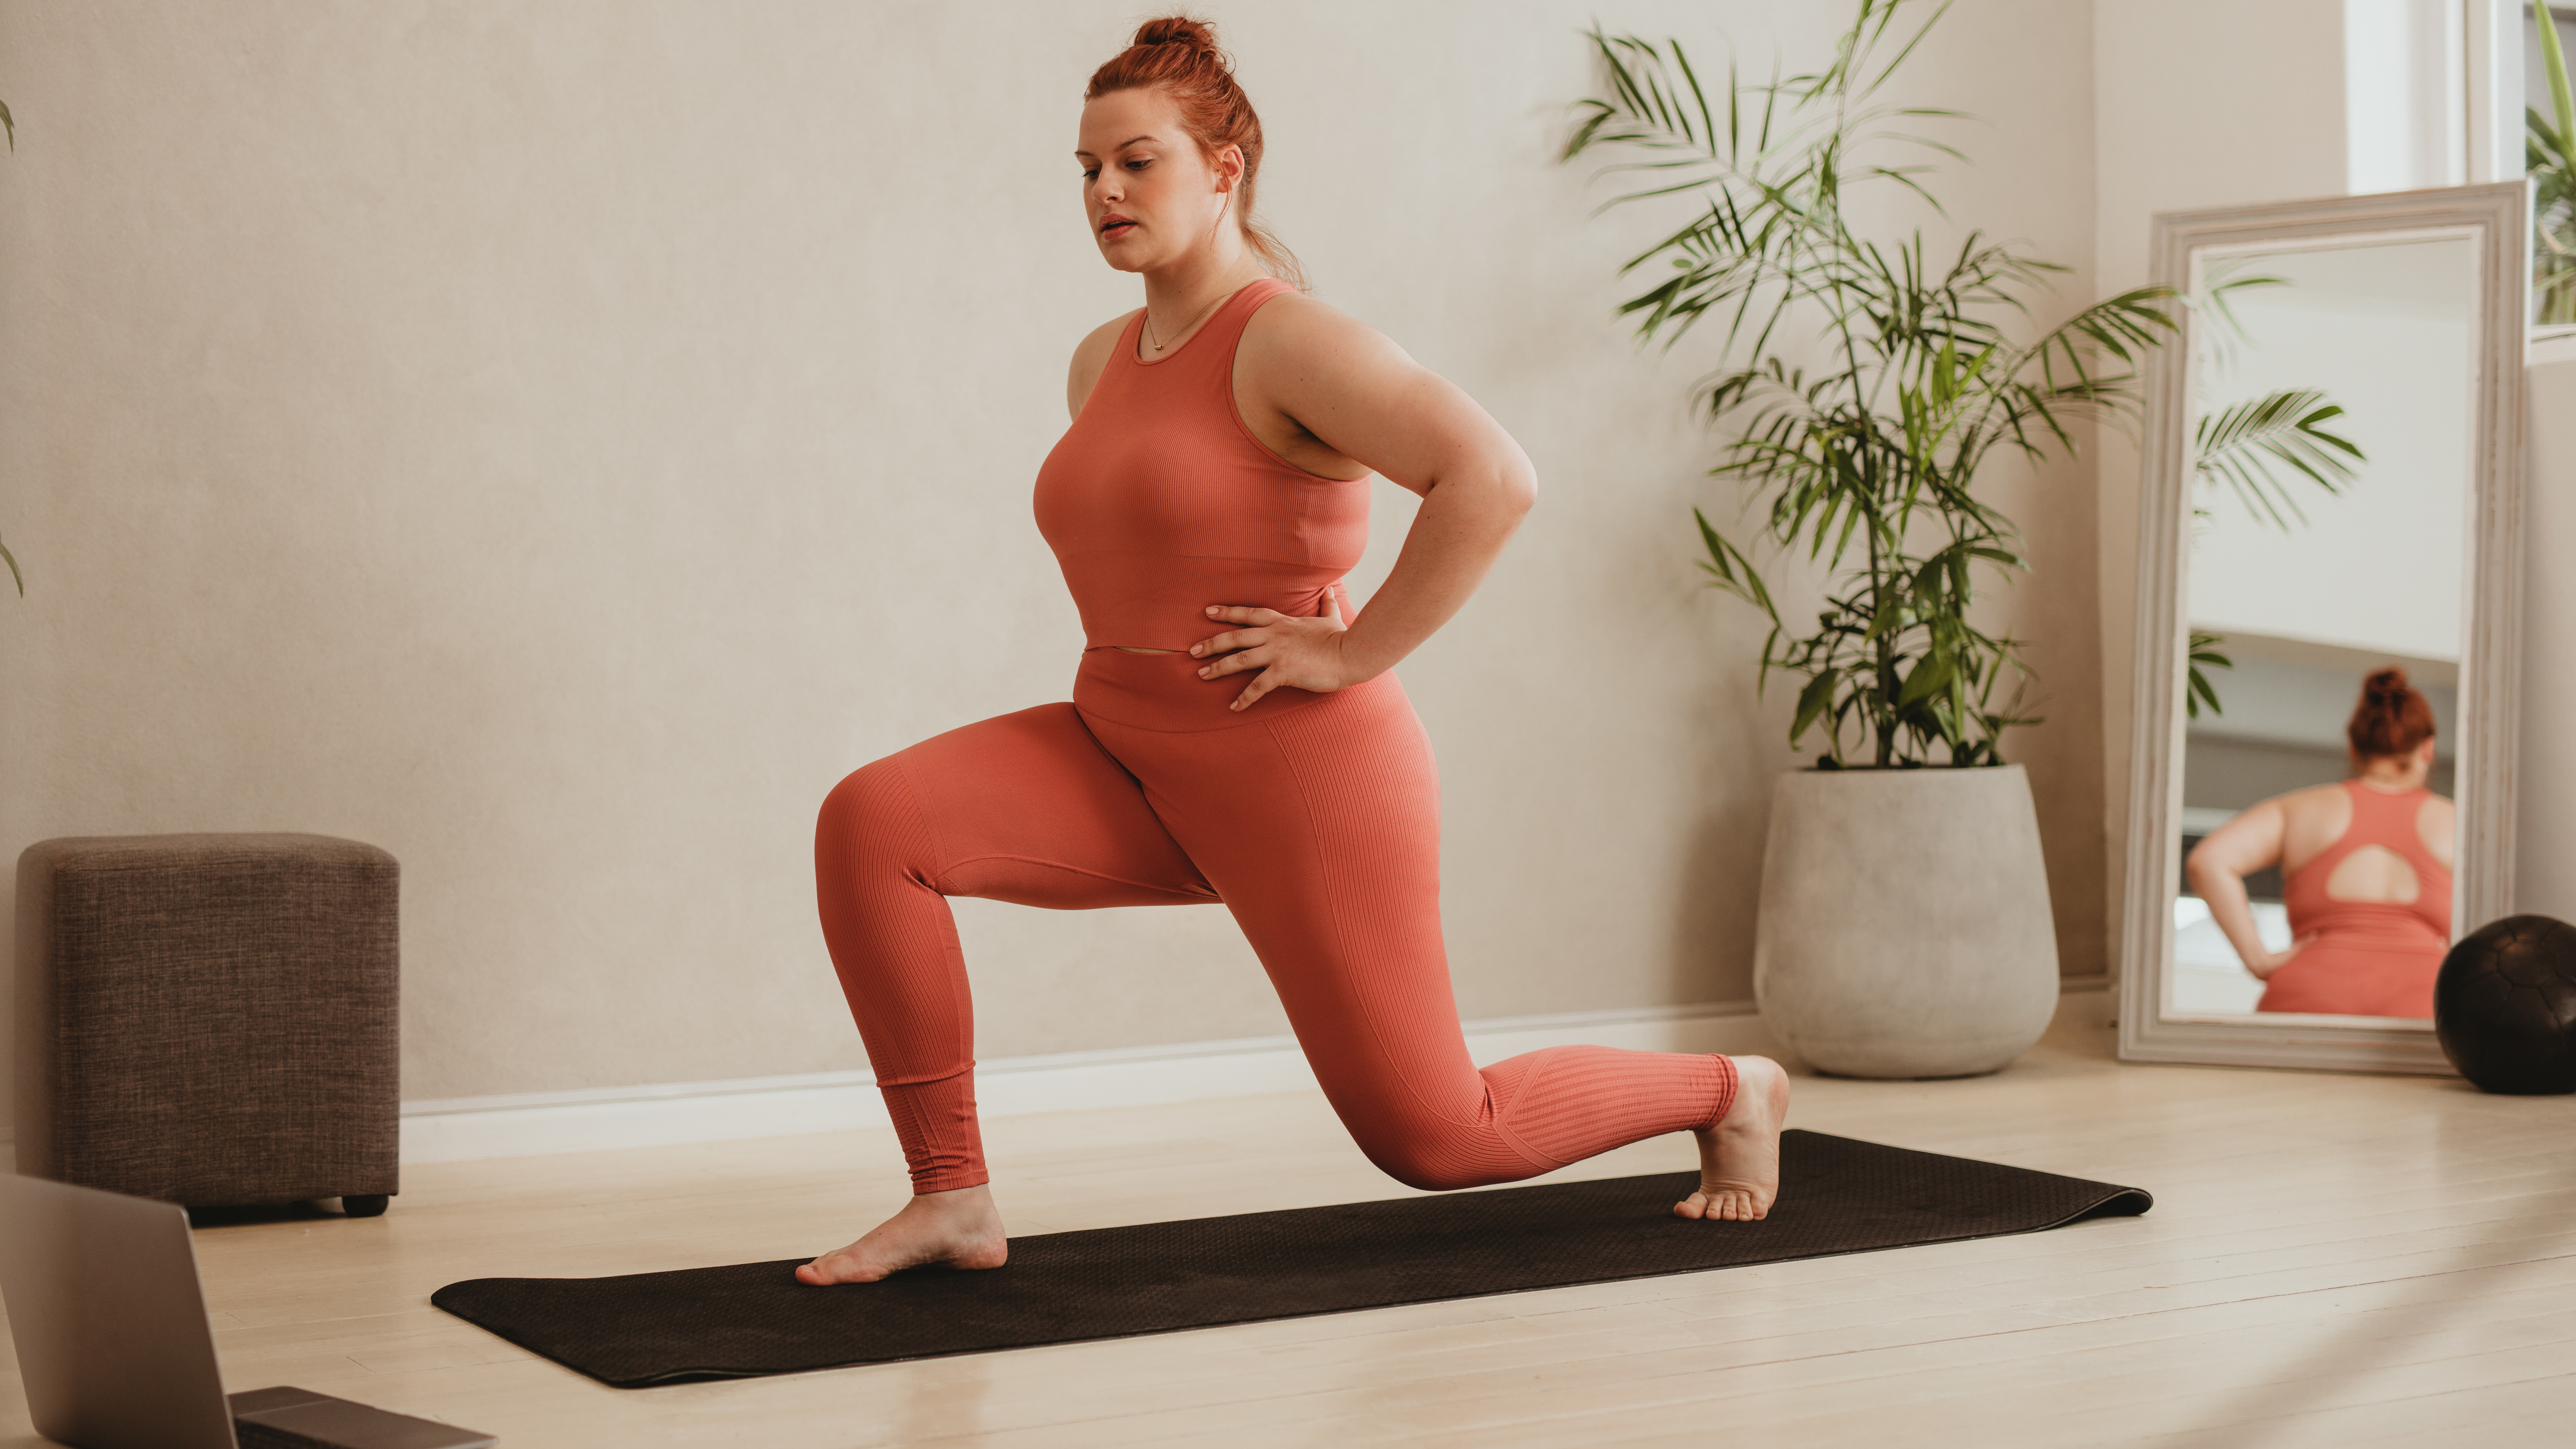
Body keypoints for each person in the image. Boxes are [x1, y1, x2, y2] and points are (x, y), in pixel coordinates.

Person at [795, 16, 1789, 1286]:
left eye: (1136, 162)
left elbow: (1490, 475)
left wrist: (1351, 651)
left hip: (1295, 773)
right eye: (1086, 169)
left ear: (1225, 168)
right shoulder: (1099, 361)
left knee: (1438, 1136)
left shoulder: (1288, 341)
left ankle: (1729, 1085)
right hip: (1124, 749)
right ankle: (951, 1198)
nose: (1102, 193)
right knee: (873, 824)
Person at [2184, 667, 2454, 1018]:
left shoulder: (2298, 809)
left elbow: (2207, 862)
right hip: (2424, 1003)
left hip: (2307, 998)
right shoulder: (2456, 823)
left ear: (2354, 748)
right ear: (2428, 749)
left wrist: (2260, 961)